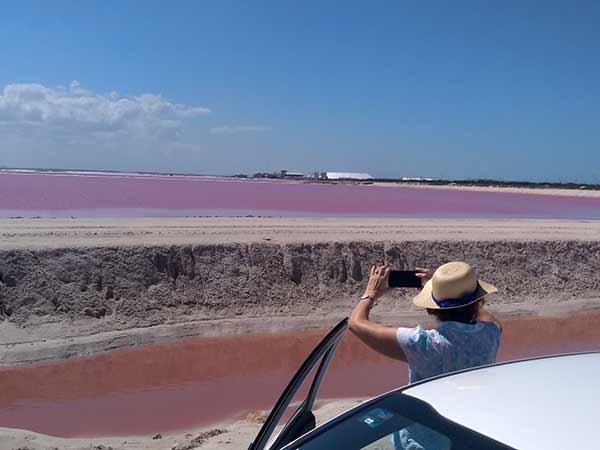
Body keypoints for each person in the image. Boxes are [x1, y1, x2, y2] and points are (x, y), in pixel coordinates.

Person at [349, 261, 502, 449]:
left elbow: (356, 324)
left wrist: (370, 293)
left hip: (425, 443)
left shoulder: (424, 345)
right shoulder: (490, 335)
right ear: (478, 300)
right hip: (469, 436)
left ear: (432, 307)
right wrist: (457, 296)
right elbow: (489, 320)